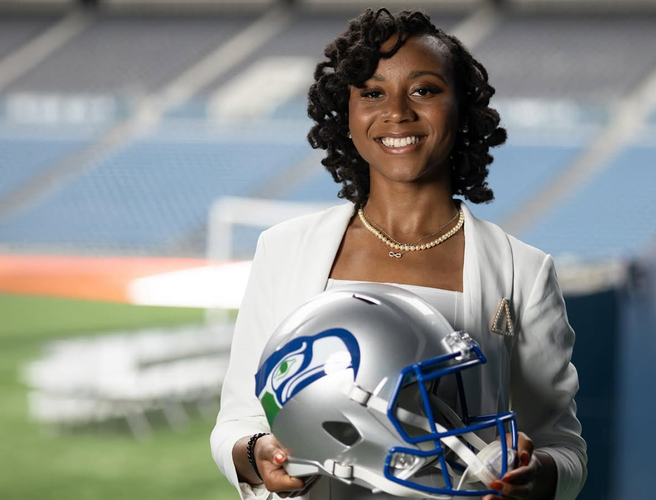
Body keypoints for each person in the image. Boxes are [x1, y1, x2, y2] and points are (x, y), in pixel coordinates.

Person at [211, 8, 587, 500]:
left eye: (424, 90)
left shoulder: (523, 272)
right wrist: (257, 454)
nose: (397, 112)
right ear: (346, 114)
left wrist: (535, 474)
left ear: (461, 108)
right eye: (371, 93)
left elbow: (565, 448)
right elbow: (238, 420)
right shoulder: (283, 250)